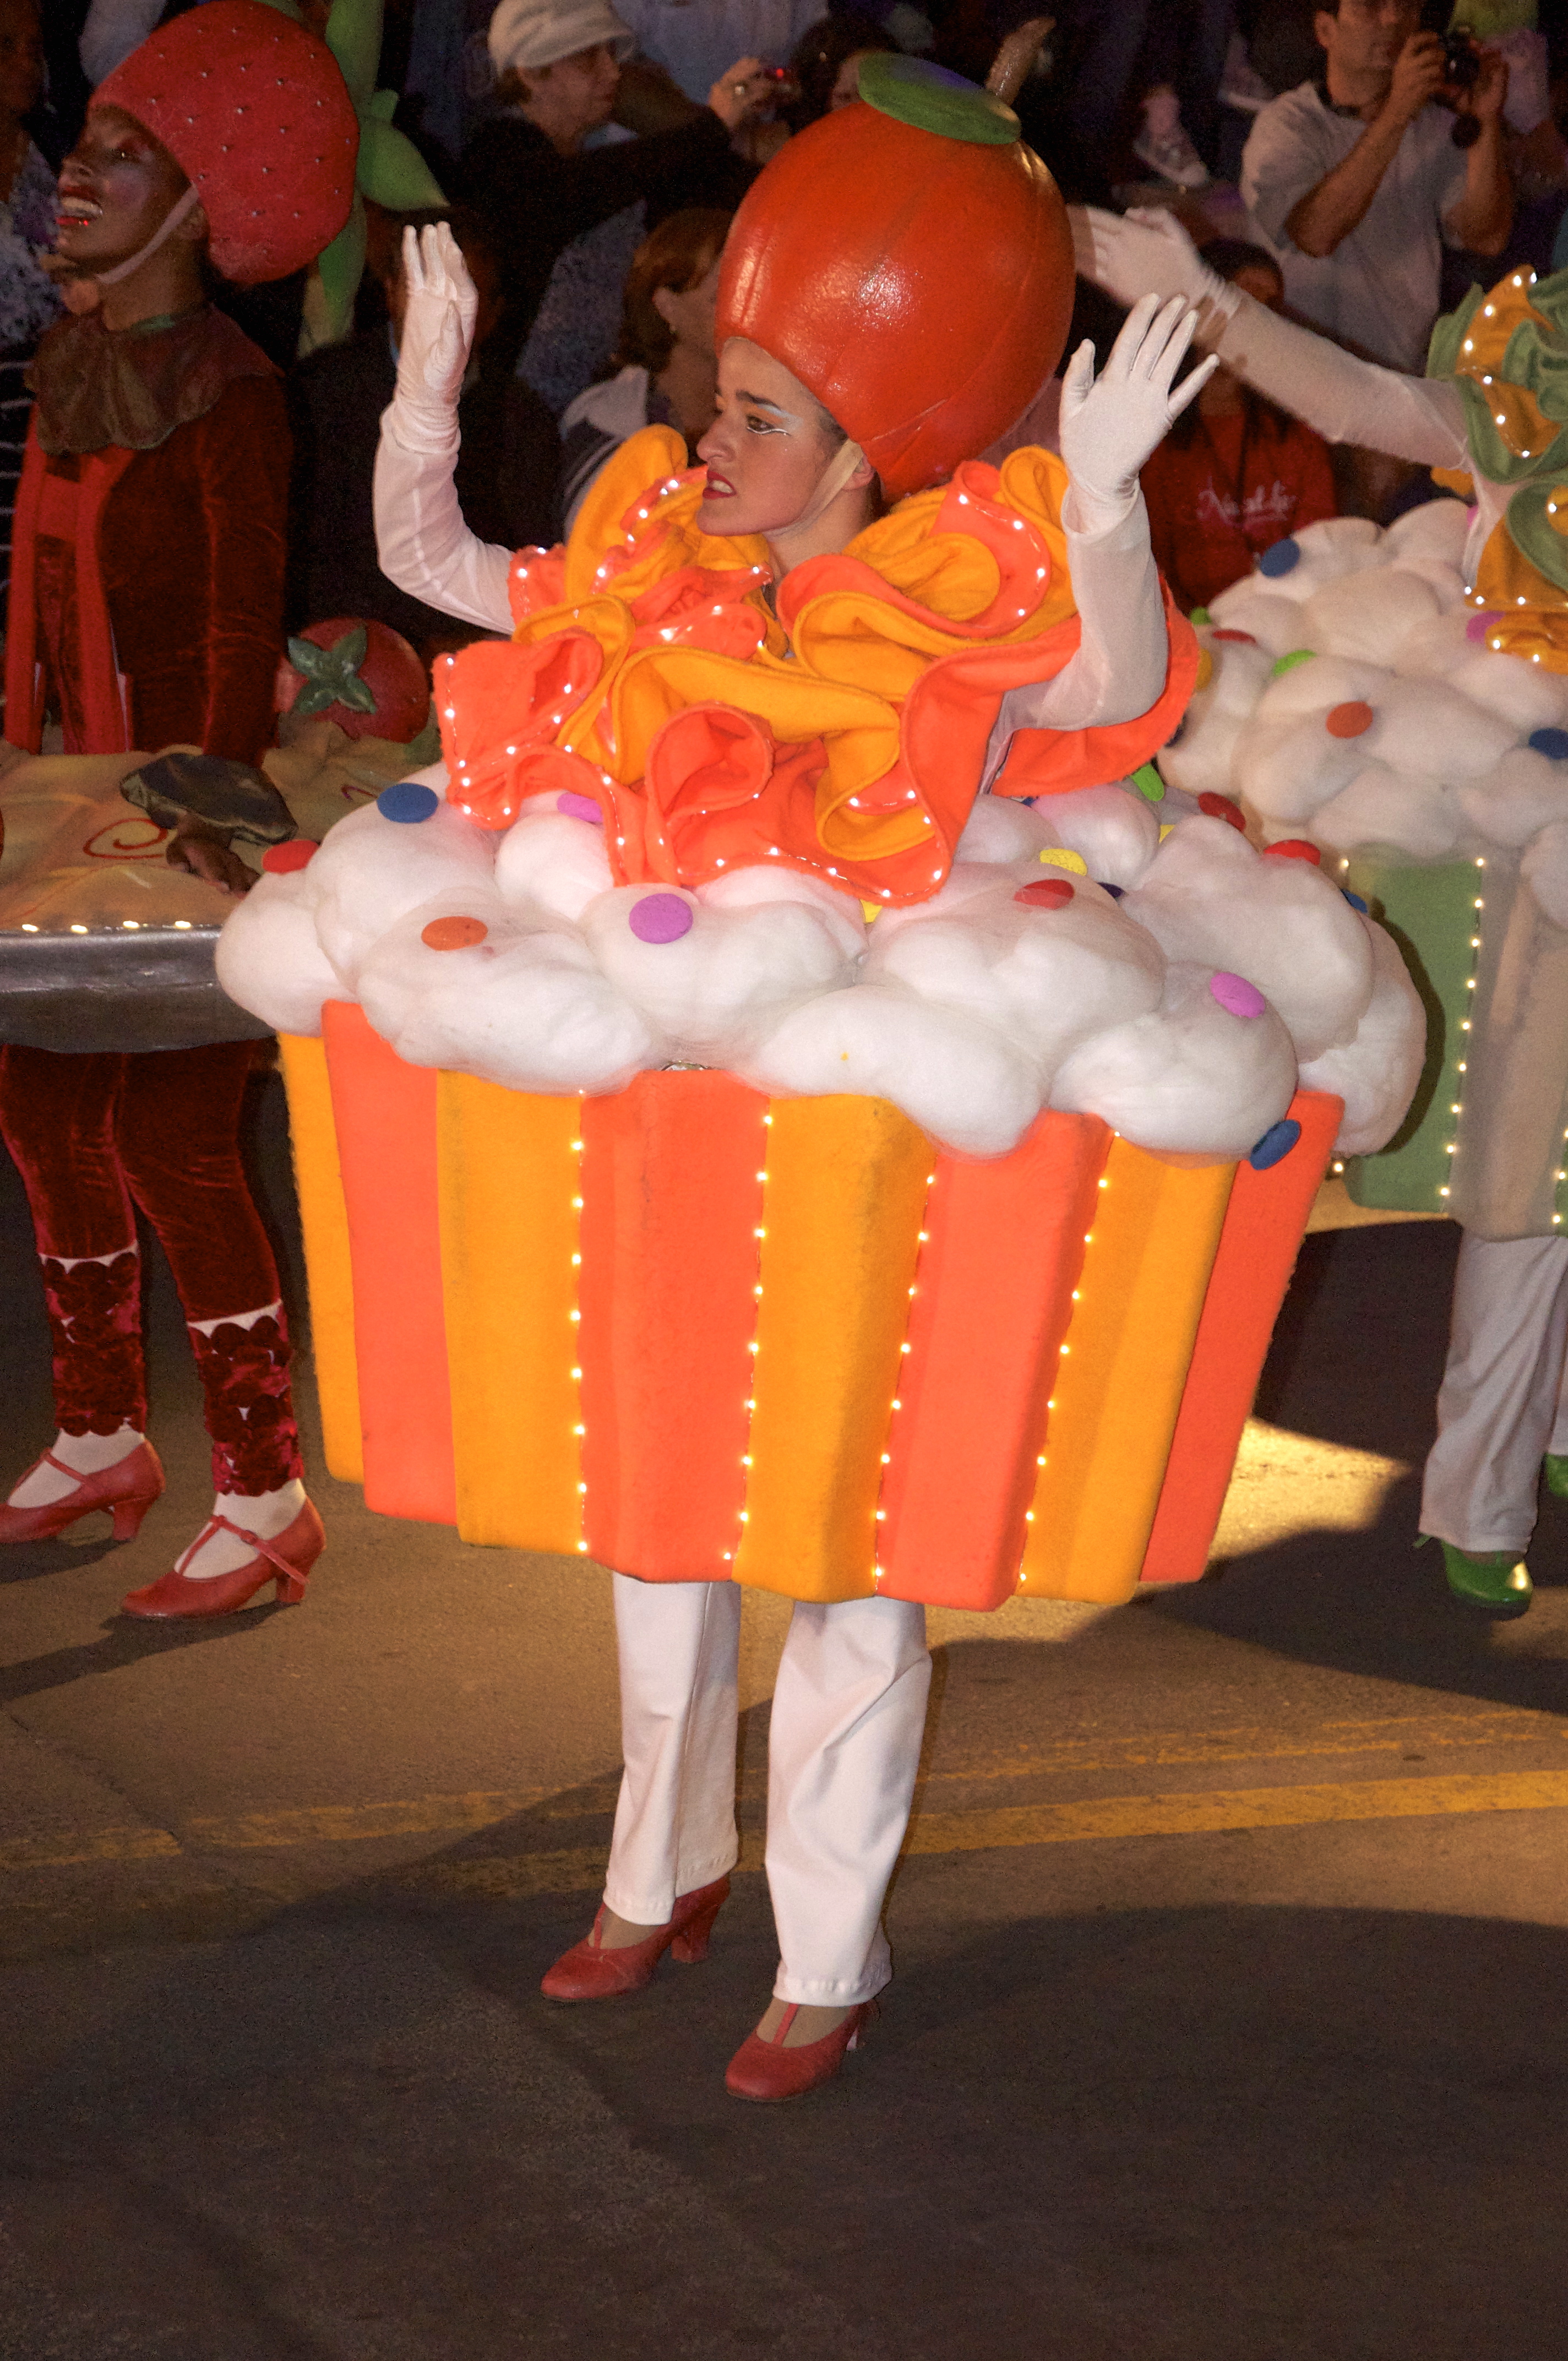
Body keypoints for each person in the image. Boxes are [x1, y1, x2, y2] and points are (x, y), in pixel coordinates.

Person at [372, 56, 1210, 2098]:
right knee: (652, 1513)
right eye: (718, 392)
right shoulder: (654, 564)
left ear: (864, 448)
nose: (710, 434)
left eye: (760, 412)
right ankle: (650, 1869)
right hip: (669, 1106)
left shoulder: (938, 624)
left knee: (844, 1543)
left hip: (861, 1134)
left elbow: (1105, 681)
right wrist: (427, 384)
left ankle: (825, 1950)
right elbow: (443, 566)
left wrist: (1101, 505)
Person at [1073, 195, 1568, 1622]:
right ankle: (1480, 1500)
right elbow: (1361, 400)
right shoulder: (1530, 383)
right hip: (1533, 795)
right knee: (1533, 1180)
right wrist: (1208, 301)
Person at [0, 0, 358, 1617]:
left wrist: (203, 846)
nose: (76, 175)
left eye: (124, 154)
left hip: (181, 826)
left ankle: (266, 1489)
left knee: (172, 1138)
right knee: (41, 1109)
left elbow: (229, 630)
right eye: (82, 144)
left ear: (205, 200)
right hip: (54, 815)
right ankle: (99, 1433)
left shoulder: (231, 392)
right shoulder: (75, 361)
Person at [288, 205, 560, 654]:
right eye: (427, 290)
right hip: (348, 653)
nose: (446, 311)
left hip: (472, 651)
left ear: (494, 313)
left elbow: (529, 567)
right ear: (391, 291)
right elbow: (311, 555)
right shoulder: (323, 392)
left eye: (466, 296)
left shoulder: (523, 420)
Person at [459, 0, 766, 388]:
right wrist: (714, 125)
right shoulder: (499, 157)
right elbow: (583, 189)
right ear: (532, 73)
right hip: (506, 402)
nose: (613, 72)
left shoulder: (577, 170)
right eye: (589, 59)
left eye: (611, 55)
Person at [1240, 0, 1513, 375]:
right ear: (1325, 31)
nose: (1393, 18)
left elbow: (1486, 238)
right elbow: (1314, 234)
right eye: (1370, 5)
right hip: (1300, 376)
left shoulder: (1432, 124)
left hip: (1397, 378)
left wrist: (1485, 121)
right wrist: (1397, 111)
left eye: (1407, 6)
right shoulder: (1285, 126)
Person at [1139, 236, 1336, 613]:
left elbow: (1320, 550)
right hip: (1189, 625)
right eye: (1242, 303)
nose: (1255, 323)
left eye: (1269, 309)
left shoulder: (1298, 433)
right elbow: (1149, 566)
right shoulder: (1152, 437)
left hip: (1285, 616)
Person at [557, 205, 728, 532]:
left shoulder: (766, 410)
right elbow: (596, 551)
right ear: (666, 307)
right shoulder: (611, 434)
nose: (742, 309)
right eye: (720, 297)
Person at [0, 0, 61, 608]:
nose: (26, 64)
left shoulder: (59, 149)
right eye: (6, 47)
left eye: (34, 49)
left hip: (48, 404)